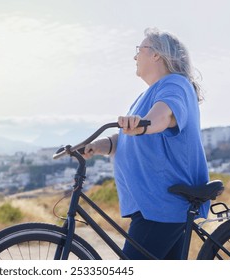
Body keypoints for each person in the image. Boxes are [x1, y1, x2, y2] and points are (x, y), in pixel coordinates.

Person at [84, 27, 209, 259]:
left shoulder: (175, 84)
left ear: (156, 54)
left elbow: (163, 118)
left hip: (161, 205)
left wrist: (142, 123)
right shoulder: (146, 96)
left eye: (139, 49)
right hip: (151, 205)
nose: (135, 56)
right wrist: (97, 145)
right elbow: (128, 139)